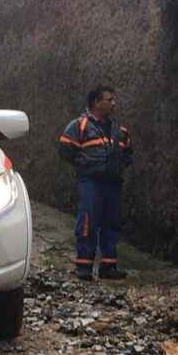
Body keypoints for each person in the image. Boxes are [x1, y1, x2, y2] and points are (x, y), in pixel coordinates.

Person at [58, 85, 133, 281]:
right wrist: (84, 165)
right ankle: (84, 266)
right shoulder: (79, 126)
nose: (113, 103)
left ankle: (109, 266)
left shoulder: (120, 130)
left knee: (111, 222)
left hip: (113, 183)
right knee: (88, 221)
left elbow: (128, 154)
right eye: (110, 99)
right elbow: (65, 150)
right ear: (96, 102)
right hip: (90, 182)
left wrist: (118, 167)